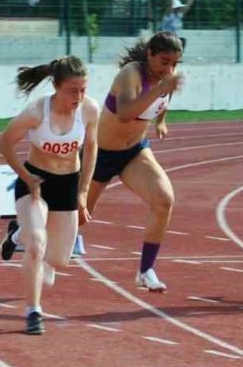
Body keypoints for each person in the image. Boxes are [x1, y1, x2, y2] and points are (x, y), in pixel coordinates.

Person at [0, 56, 99, 335]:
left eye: (83, 90)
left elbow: (91, 149)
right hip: (36, 183)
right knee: (37, 246)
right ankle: (33, 312)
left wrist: (83, 192)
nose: (78, 97)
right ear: (56, 86)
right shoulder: (36, 112)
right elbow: (4, 143)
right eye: (72, 91)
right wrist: (26, 176)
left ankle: (16, 235)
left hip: (67, 184)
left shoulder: (89, 111)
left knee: (57, 262)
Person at [77, 32, 185, 293]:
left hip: (134, 152)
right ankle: (22, 229)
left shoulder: (165, 79)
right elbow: (125, 113)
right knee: (77, 219)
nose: (169, 69)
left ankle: (146, 270)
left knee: (164, 199)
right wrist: (160, 89)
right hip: (99, 154)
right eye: (163, 62)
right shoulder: (131, 74)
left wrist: (161, 121)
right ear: (149, 54)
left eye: (175, 63)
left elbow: (162, 101)